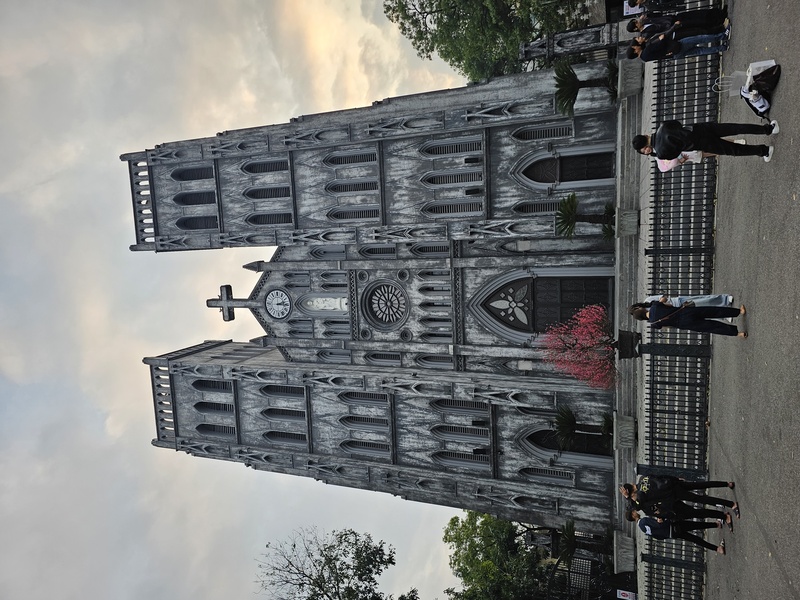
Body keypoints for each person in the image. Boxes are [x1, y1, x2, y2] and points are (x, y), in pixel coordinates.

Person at [633, 119, 779, 162]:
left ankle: (764, 151)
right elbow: (677, 124)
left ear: (645, 147)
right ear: (645, 136)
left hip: (699, 144)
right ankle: (768, 129)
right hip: (700, 129)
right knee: (736, 127)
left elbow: (676, 154)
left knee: (732, 150)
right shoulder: (662, 127)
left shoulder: (661, 153)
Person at [619, 477, 740, 514]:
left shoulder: (640, 495)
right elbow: (660, 474)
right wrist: (675, 478)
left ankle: (731, 504)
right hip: (673, 483)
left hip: (673, 494)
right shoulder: (642, 478)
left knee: (701, 499)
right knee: (701, 484)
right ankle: (727, 484)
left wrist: (627, 497)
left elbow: (638, 507)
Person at [629, 302, 748, 337]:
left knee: (712, 327)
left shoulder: (653, 324)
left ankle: (738, 333)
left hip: (685, 323)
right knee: (713, 311)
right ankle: (738, 311)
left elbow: (667, 326)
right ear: (642, 309)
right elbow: (669, 304)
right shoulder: (655, 306)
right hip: (685, 311)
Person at [631, 511, 726, 554]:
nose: (636, 512)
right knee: (696, 525)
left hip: (671, 533)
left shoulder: (642, 528)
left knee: (695, 539)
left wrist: (666, 535)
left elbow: (656, 536)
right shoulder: (644, 521)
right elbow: (659, 524)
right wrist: (665, 520)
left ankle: (717, 548)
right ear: (633, 515)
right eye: (634, 512)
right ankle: (715, 524)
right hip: (672, 526)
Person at [627, 8, 728, 40]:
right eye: (636, 23)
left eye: (636, 20)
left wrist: (646, 15)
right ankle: (719, 24)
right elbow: (661, 33)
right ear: (636, 28)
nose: (638, 21)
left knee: (698, 14)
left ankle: (719, 14)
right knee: (698, 24)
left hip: (673, 17)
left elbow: (658, 14)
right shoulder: (646, 34)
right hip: (675, 26)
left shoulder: (646, 20)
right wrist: (674, 26)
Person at [634, 31, 729, 62]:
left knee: (700, 51)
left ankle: (722, 48)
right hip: (676, 46)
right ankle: (722, 36)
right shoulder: (647, 50)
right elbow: (659, 46)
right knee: (699, 39)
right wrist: (661, 39)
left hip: (675, 54)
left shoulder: (645, 58)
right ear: (635, 51)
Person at [638, 293, 733, 308]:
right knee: (703, 311)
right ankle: (724, 316)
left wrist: (660, 302)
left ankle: (724, 299)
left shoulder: (648, 300)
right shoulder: (646, 315)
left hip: (677, 302)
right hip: (678, 310)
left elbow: (663, 297)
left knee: (703, 300)